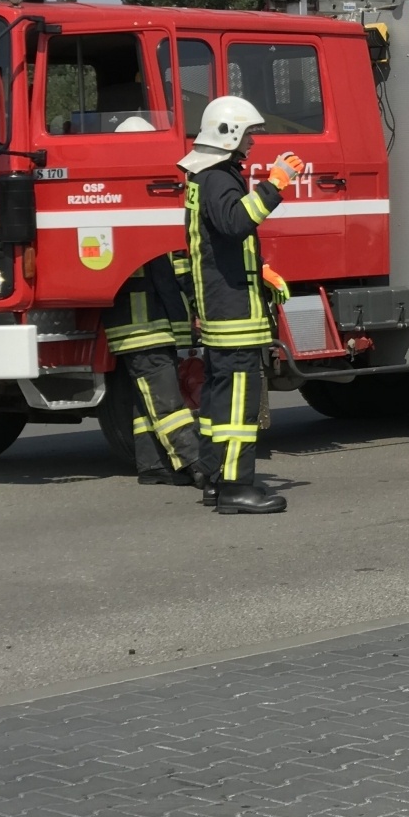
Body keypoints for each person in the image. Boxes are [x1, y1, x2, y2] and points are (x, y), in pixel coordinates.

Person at [179, 96, 303, 515]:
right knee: (238, 403)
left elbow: (218, 244)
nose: (253, 142)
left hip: (221, 304)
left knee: (218, 401)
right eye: (249, 133)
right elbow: (236, 222)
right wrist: (277, 183)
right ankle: (236, 488)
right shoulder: (217, 178)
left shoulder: (205, 176)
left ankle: (215, 480)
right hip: (233, 312)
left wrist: (259, 272)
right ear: (229, 134)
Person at [102, 251, 205, 490]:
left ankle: (153, 465)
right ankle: (195, 461)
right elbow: (183, 269)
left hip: (144, 327)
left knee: (146, 402)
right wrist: (199, 306)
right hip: (147, 330)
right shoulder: (155, 225)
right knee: (168, 403)